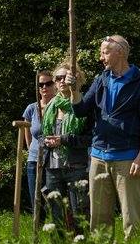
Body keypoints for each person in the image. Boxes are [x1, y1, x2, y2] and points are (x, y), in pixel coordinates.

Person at [68, 35, 140, 239]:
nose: (101, 58)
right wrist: (74, 90)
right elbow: (81, 110)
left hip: (127, 158)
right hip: (98, 156)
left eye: (105, 52)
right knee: (98, 217)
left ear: (120, 52)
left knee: (130, 216)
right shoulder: (101, 80)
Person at [41, 62, 92, 233]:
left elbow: (88, 139)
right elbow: (42, 135)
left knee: (79, 212)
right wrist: (46, 142)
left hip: (75, 167)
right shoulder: (49, 107)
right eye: (58, 78)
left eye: (65, 77)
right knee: (57, 214)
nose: (62, 81)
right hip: (53, 168)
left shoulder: (83, 106)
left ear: (76, 80)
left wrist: (63, 140)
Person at [21, 70, 56, 214]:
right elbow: (27, 132)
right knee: (36, 199)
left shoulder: (59, 106)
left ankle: (58, 228)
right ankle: (38, 232)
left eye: (48, 83)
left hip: (54, 160)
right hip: (34, 159)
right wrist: (31, 150)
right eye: (41, 84)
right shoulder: (31, 108)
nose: (44, 87)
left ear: (54, 85)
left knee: (53, 198)